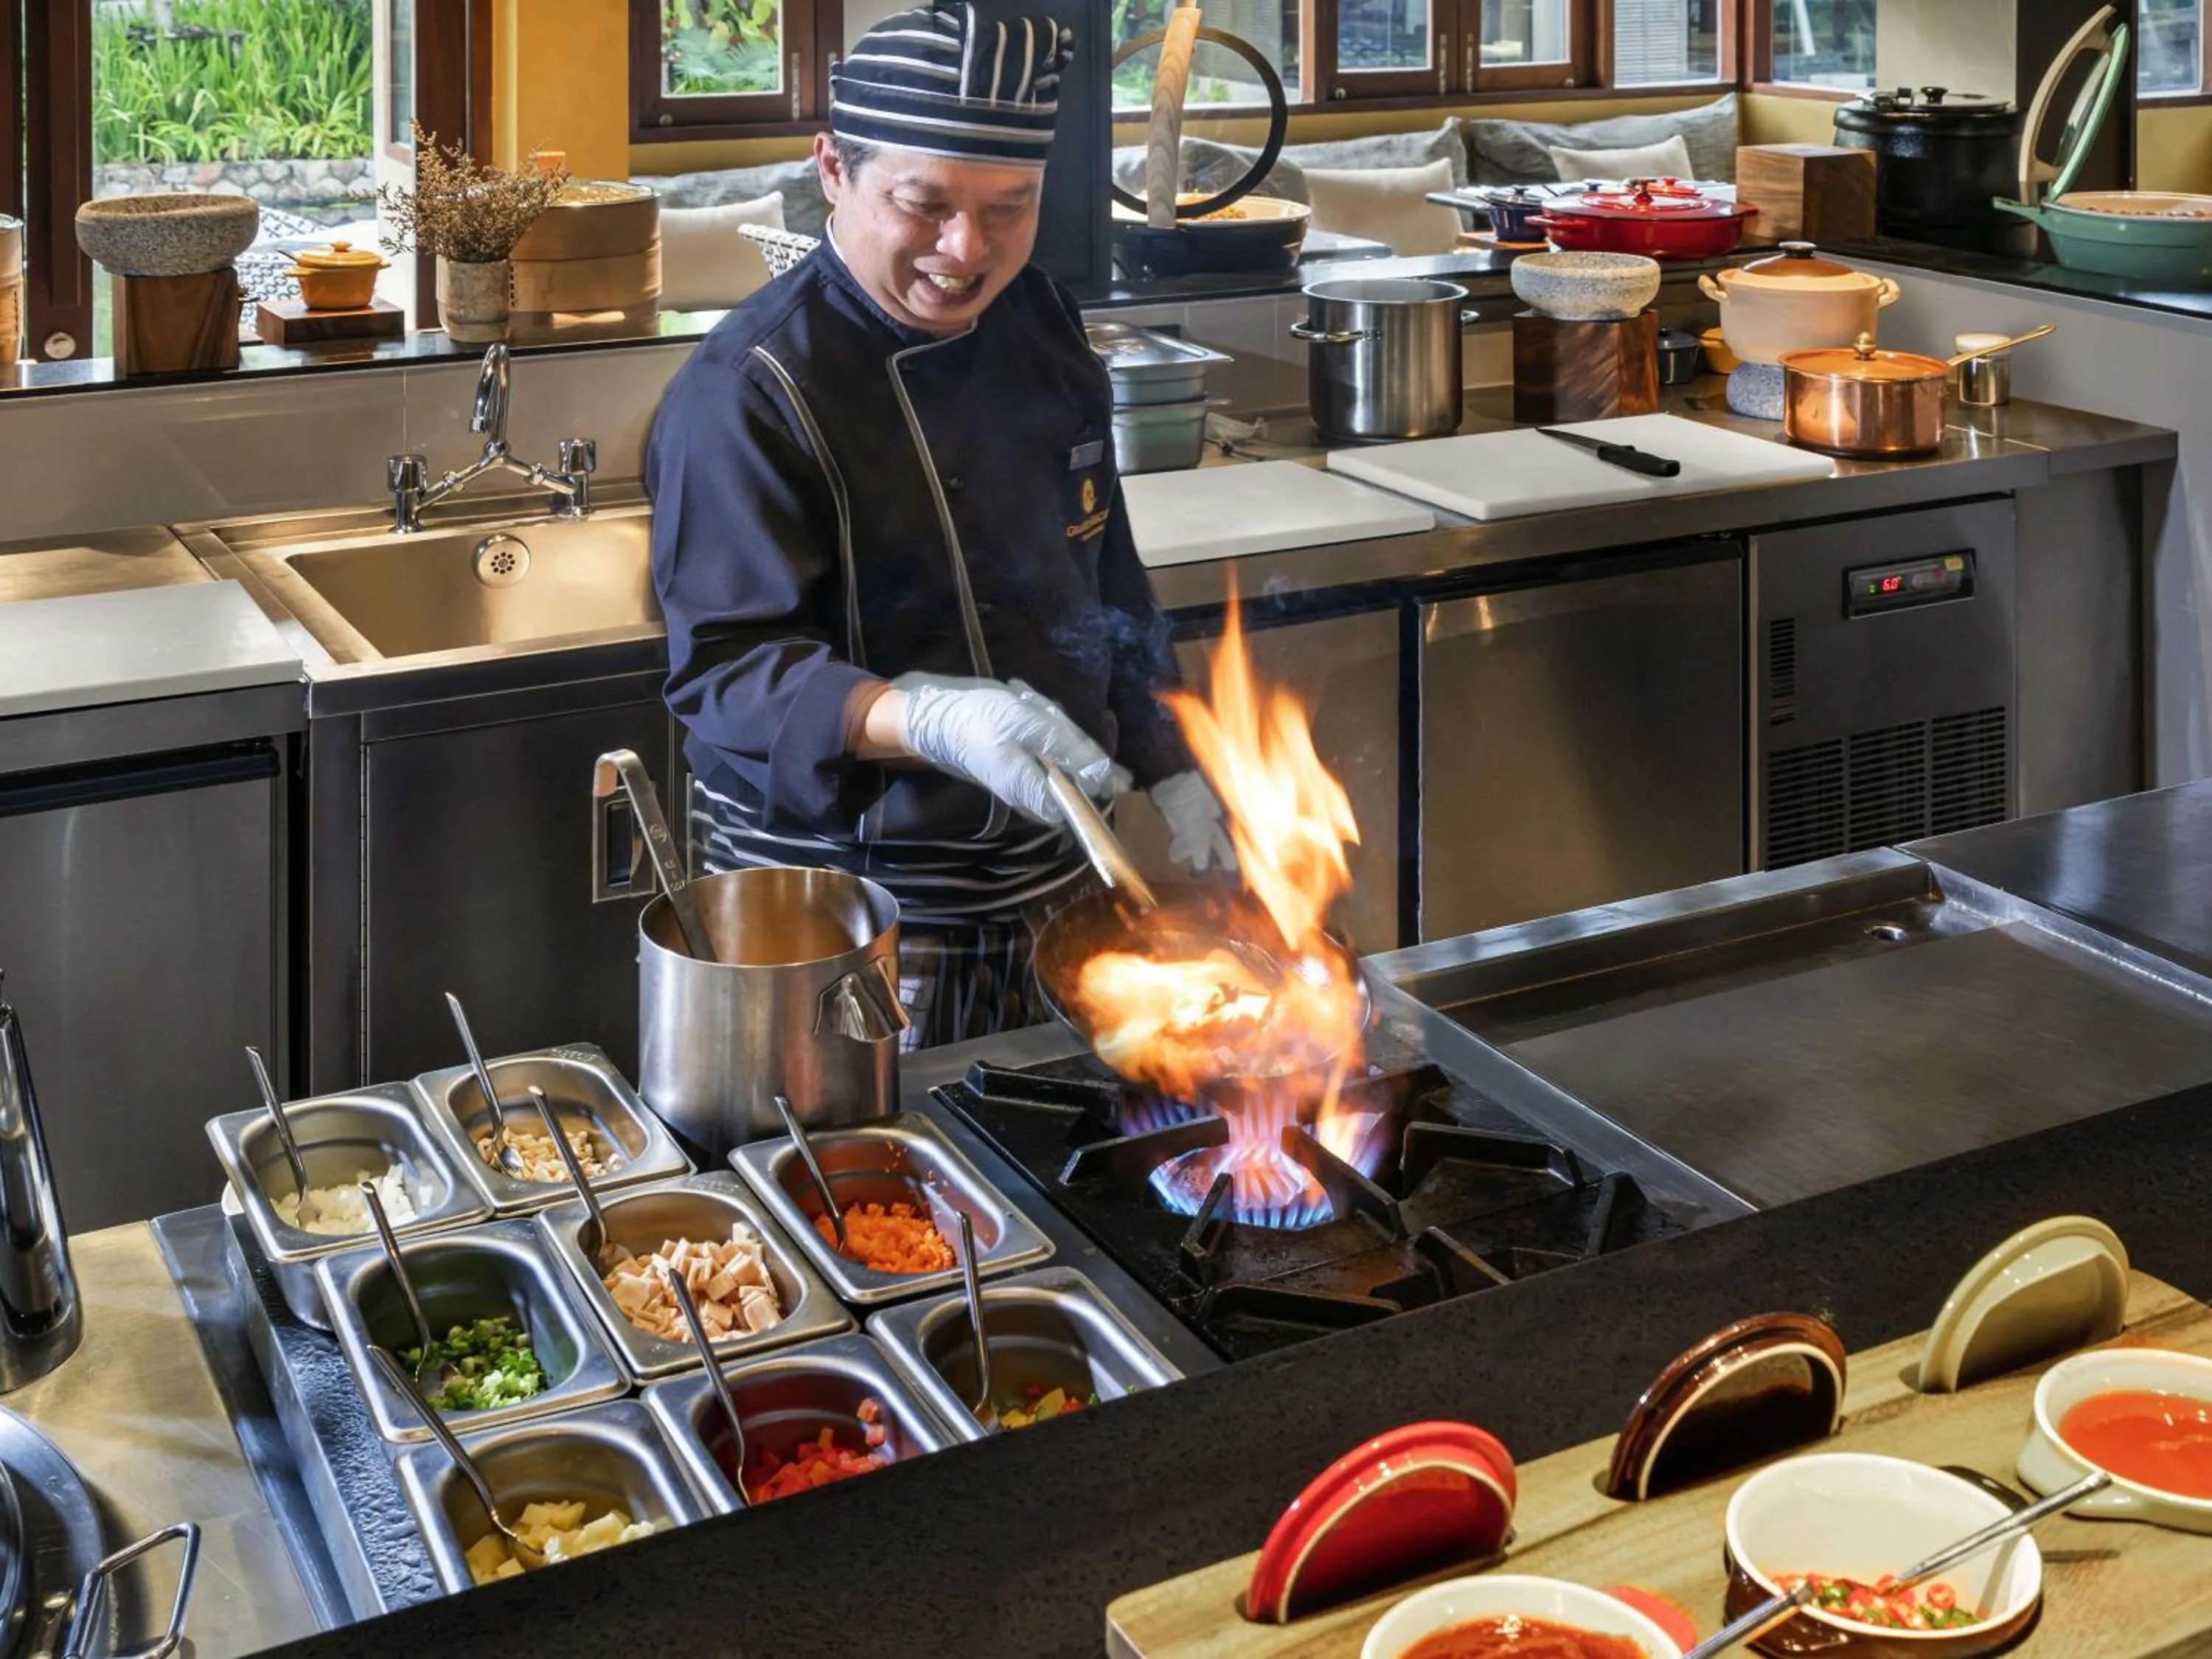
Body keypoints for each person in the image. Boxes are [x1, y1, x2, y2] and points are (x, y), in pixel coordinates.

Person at [646, 0, 1231, 1050]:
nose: (968, 250)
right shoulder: (751, 388)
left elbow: (1106, 579)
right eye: (925, 205)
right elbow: (726, 675)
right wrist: (925, 718)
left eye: (1011, 207)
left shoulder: (1041, 322)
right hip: (850, 914)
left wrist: (1170, 753)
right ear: (834, 169)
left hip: (1056, 881)